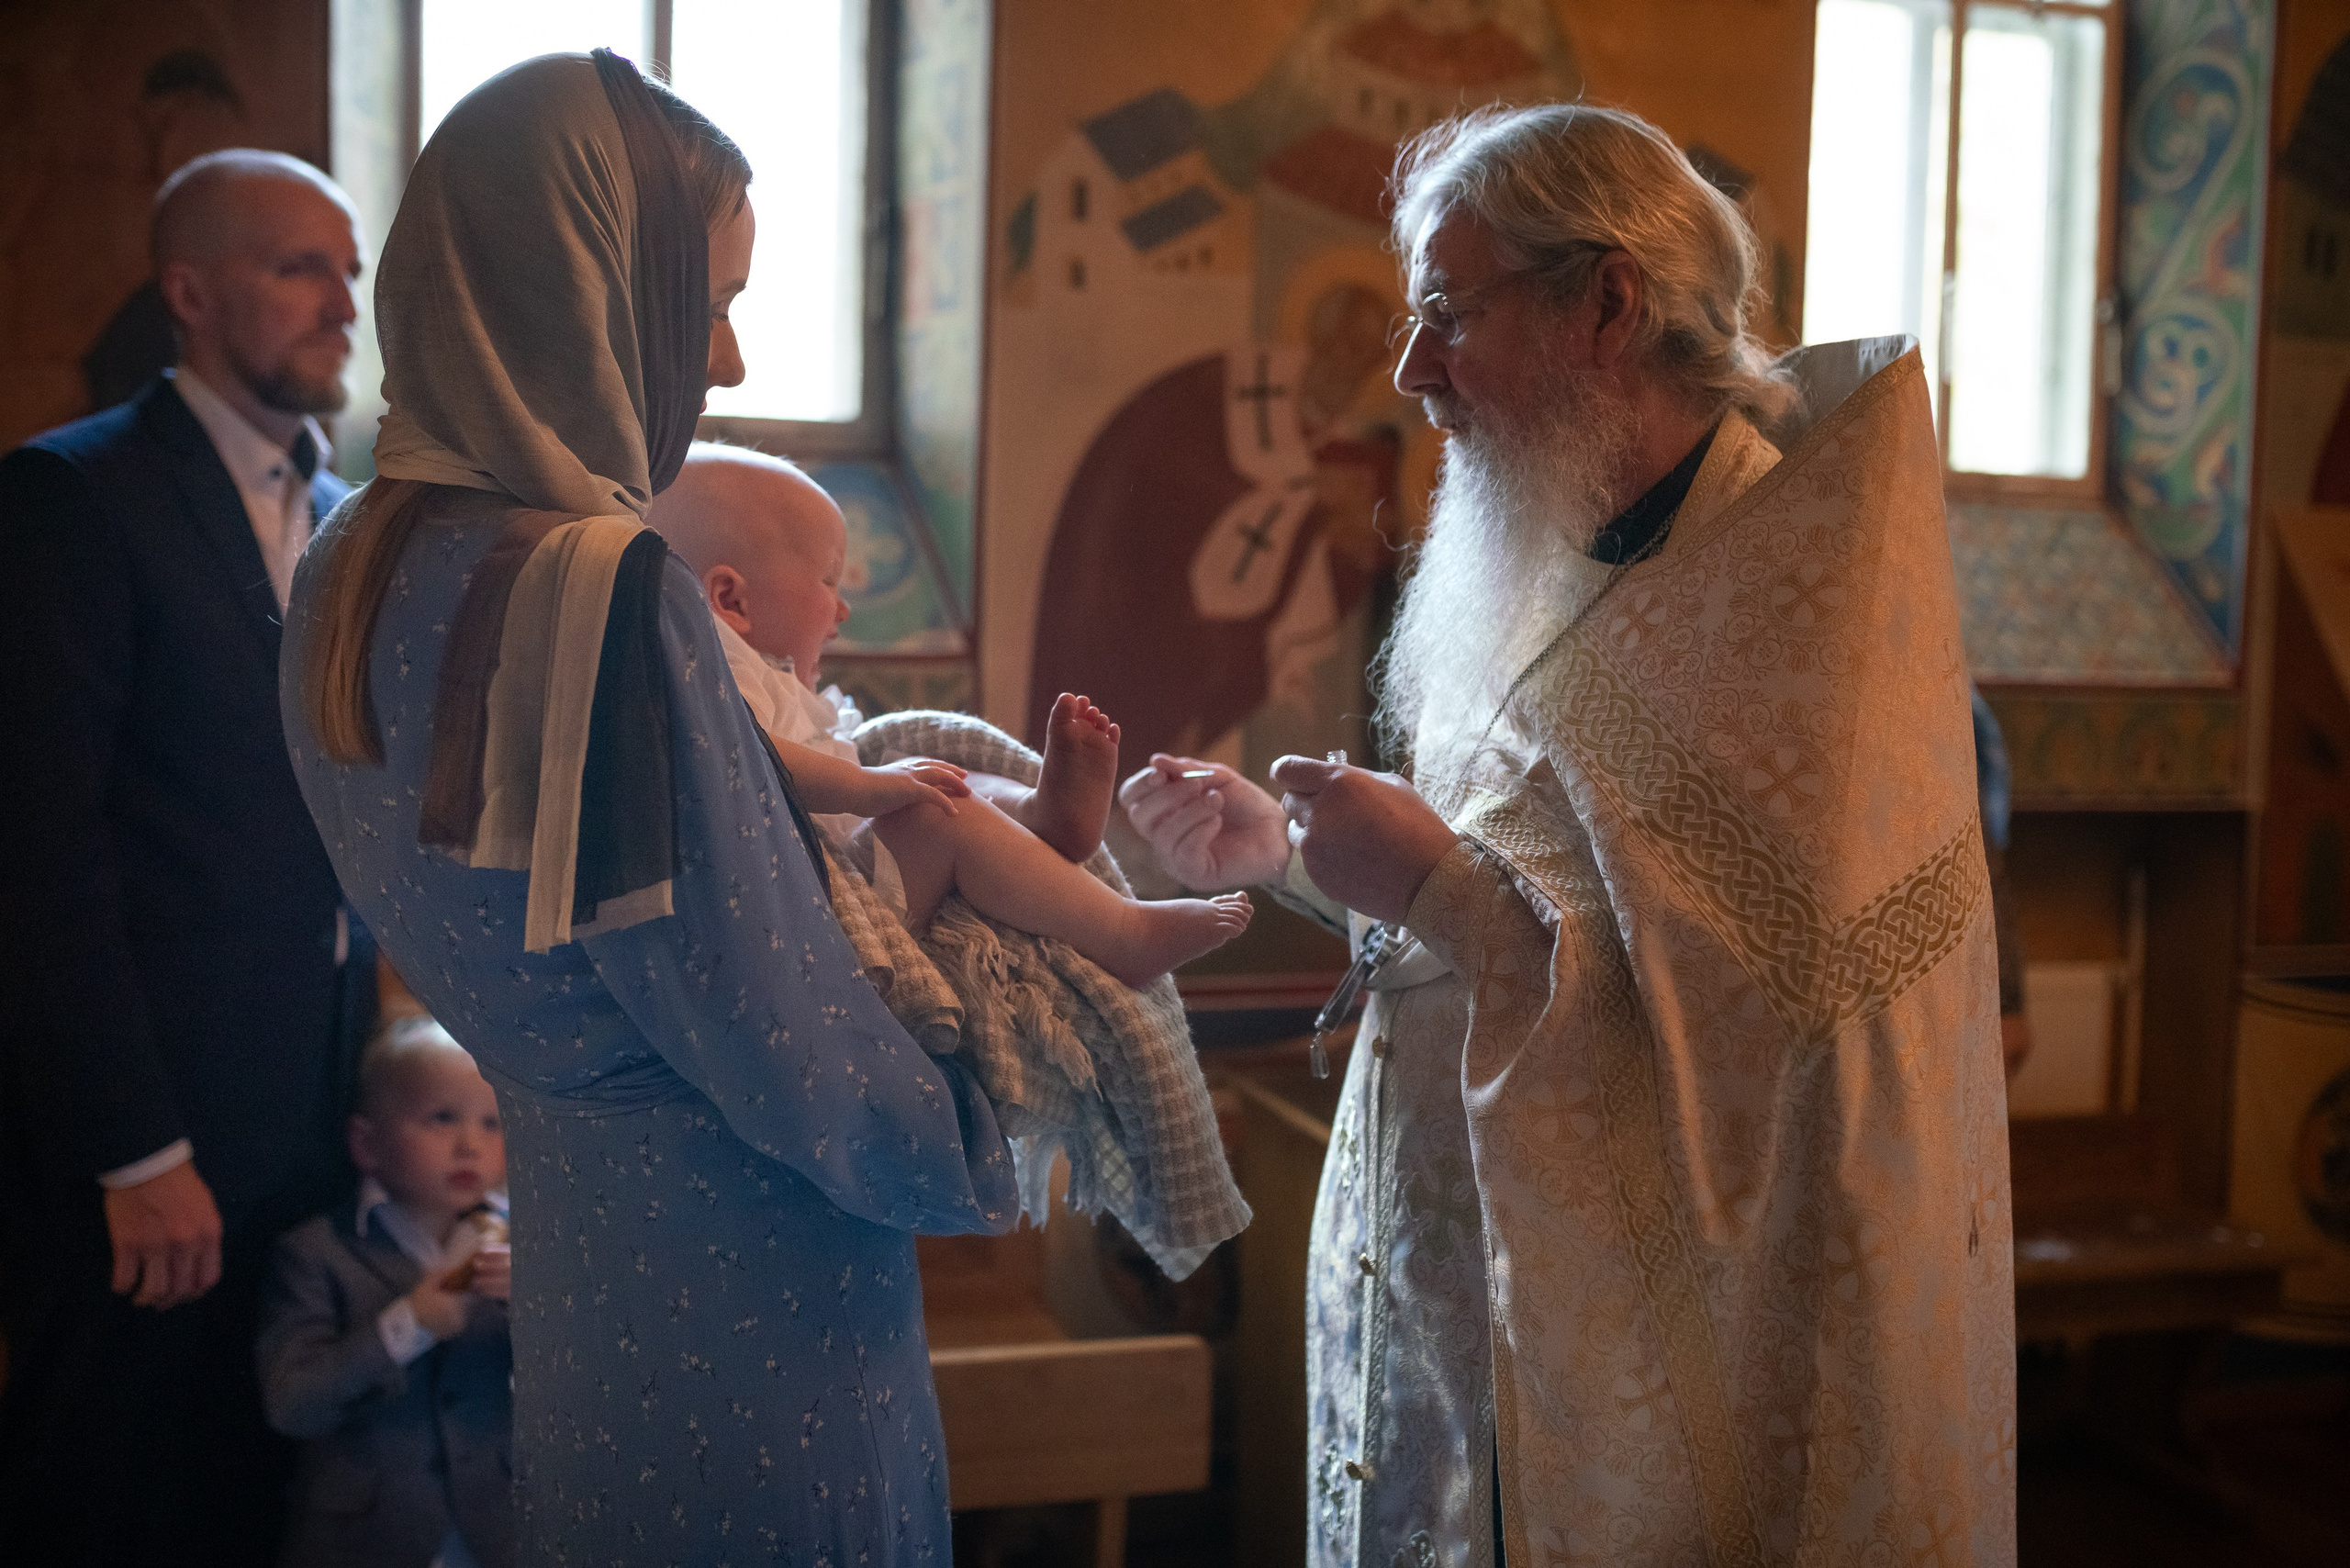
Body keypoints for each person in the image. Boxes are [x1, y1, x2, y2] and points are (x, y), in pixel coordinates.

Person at [1122, 104, 2015, 1565]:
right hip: (1485, 1327)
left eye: (1447, 316)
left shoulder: (1785, 621)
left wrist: (1429, 881)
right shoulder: (1559, 547)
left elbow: (1769, 1081)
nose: (1411, 373)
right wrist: (1288, 853)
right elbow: (1539, 900)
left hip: (1657, 1421)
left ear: (1606, 304)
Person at [280, 51, 1019, 1563]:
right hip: (754, 1257)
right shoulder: (603, 593)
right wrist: (968, 1132)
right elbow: (773, 1022)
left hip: (580, 1238)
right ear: (590, 292)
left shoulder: (343, 561)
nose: (726, 363)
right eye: (709, 303)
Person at [0, 149, 377, 1564]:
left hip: (312, 1108)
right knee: (111, 1496)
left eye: (348, 270)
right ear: (191, 293)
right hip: (144, 1125)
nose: (342, 302)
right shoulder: (71, 498)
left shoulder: (343, 521)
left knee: (261, 1497)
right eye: (299, 267)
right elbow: (36, 856)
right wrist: (134, 1146)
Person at [649, 444, 1253, 986]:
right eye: (830, 581)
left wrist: (886, 781)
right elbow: (745, 755)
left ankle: (1039, 816)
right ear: (730, 599)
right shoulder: (707, 669)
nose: (843, 609)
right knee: (935, 810)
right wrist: (869, 786)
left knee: (940, 777)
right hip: (807, 915)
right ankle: (1124, 932)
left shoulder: (753, 673)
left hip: (836, 863)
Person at [257, 1017, 513, 1568]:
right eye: (442, 1117)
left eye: (492, 1123)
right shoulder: (315, 1254)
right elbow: (292, 1403)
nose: (470, 1144)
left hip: (497, 1536)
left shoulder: (528, 1254)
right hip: (362, 1542)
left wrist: (532, 1312)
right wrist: (406, 1327)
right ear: (367, 1143)